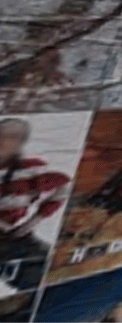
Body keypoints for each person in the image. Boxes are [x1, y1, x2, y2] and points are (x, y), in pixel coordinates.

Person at [0, 118, 70, 292]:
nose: (3, 140)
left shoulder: (30, 170)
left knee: (48, 265)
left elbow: (62, 187)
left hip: (14, 238)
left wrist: (33, 221)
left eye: (12, 137)